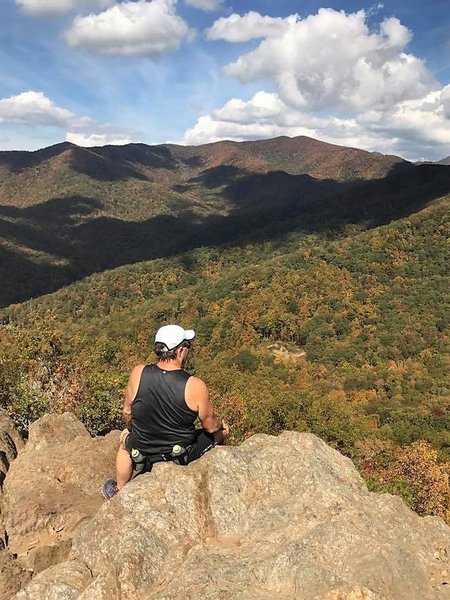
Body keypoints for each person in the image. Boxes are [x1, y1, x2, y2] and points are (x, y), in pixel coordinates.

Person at [102, 324, 228, 499]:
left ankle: (120, 491)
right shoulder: (194, 385)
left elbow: (127, 411)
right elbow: (211, 426)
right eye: (187, 347)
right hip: (180, 453)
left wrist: (132, 429)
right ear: (180, 351)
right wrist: (222, 425)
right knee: (221, 433)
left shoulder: (138, 373)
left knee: (124, 443)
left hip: (142, 448)